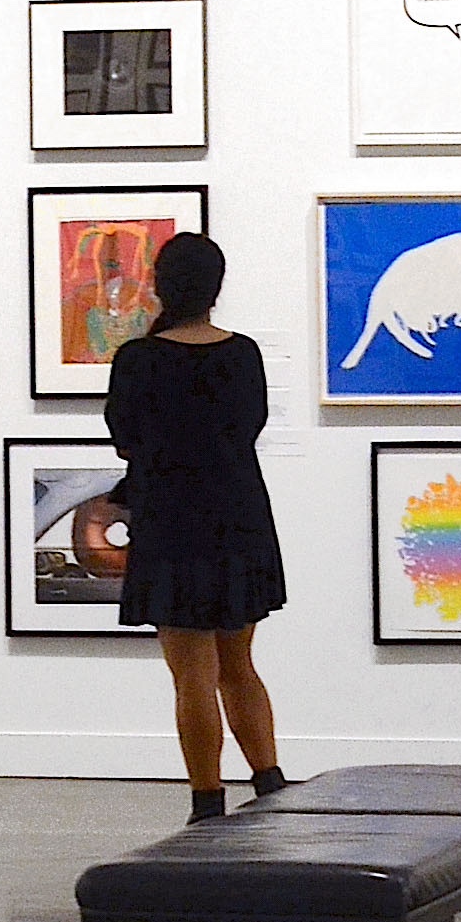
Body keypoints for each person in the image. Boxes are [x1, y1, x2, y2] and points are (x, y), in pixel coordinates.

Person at [101, 232, 291, 820]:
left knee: (192, 676)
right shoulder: (244, 354)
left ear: (160, 284)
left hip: (172, 523)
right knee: (238, 666)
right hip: (237, 516)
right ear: (216, 288)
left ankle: (207, 801)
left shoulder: (139, 359)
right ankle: (270, 782)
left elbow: (126, 439)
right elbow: (247, 427)